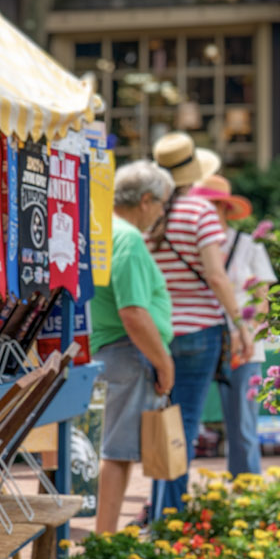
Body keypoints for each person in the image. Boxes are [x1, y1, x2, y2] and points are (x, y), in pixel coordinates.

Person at [144, 134, 255, 519]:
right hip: (200, 333)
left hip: (155, 333)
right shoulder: (200, 212)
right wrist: (239, 324)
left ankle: (160, 510)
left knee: (162, 423)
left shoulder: (148, 215)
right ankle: (170, 517)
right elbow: (217, 277)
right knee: (184, 426)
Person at [91, 160, 177, 534]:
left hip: (114, 349)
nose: (161, 214)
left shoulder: (104, 230)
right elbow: (134, 312)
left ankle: (105, 540)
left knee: (117, 450)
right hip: (128, 351)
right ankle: (105, 543)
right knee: (118, 453)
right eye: (162, 205)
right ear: (146, 200)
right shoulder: (127, 238)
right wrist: (164, 362)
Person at [193, 175, 276, 476]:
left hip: (243, 342)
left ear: (225, 209)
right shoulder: (192, 246)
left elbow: (262, 299)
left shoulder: (249, 246)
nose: (204, 214)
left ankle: (247, 486)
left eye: (210, 207)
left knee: (242, 422)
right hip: (200, 336)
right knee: (187, 420)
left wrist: (248, 333)